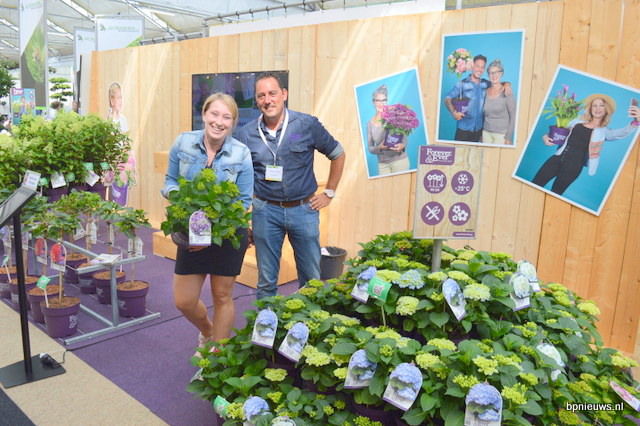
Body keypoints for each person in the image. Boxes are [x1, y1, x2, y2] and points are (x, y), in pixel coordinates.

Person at [238, 72, 346, 300]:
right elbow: (239, 177)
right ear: (256, 100)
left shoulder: (306, 124)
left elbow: (338, 153)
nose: (267, 100)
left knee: (311, 279)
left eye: (272, 93)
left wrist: (329, 193)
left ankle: (308, 321)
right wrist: (242, 217)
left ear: (284, 94)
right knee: (266, 280)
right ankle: (267, 322)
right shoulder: (246, 134)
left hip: (304, 210)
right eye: (261, 96)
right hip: (265, 211)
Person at [162, 93, 254, 350]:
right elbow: (170, 181)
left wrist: (212, 230)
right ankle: (209, 331)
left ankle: (217, 359)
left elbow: (244, 200)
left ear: (233, 122)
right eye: (214, 114)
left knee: (223, 296)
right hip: (191, 232)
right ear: (204, 114)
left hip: (228, 233)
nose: (219, 122)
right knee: (184, 301)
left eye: (227, 117)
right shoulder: (183, 142)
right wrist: (182, 200)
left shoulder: (241, 153)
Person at [532, 94, 639, 195]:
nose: (597, 108)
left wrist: (636, 122)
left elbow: (620, 133)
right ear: (590, 108)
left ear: (606, 109)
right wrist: (545, 137)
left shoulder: (603, 131)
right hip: (556, 158)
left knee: (556, 193)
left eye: (601, 105)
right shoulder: (576, 121)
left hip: (574, 167)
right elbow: (560, 130)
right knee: (535, 184)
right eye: (594, 105)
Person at [444, 54, 491, 142]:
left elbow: (498, 85)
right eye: (477, 66)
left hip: (479, 130)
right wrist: (454, 113)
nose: (479, 69)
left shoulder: (486, 84)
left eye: (482, 67)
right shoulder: (461, 84)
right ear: (472, 66)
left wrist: (507, 84)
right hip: (463, 130)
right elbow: (447, 99)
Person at [366, 84, 409, 175]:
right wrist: (379, 147)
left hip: (399, 161)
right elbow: (370, 148)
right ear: (373, 102)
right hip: (383, 165)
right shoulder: (369, 124)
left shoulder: (393, 116)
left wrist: (402, 146)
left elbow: (404, 138)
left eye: (383, 100)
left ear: (386, 101)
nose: (381, 104)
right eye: (378, 100)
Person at [482, 59, 516, 145]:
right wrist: (481, 134)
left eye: (497, 72)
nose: (494, 75)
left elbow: (513, 117)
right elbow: (483, 115)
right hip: (485, 133)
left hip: (501, 135)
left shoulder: (507, 92)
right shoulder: (485, 92)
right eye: (491, 73)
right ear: (488, 75)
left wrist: (508, 138)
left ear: (501, 74)